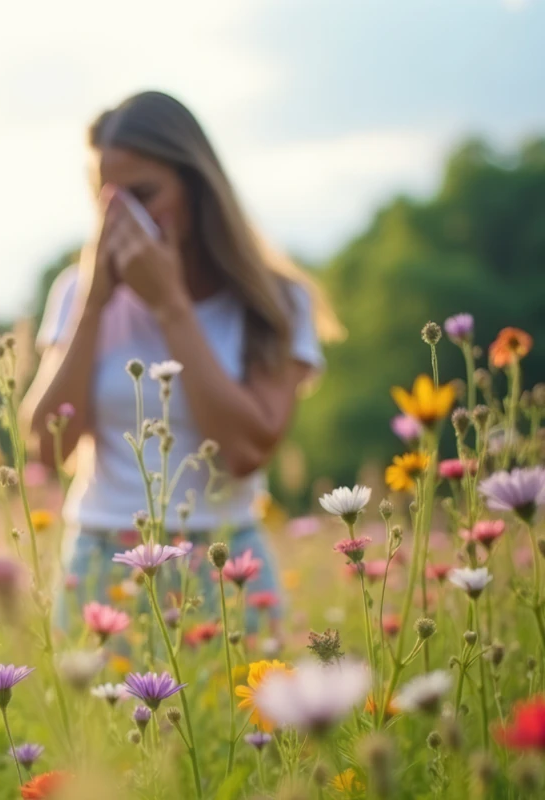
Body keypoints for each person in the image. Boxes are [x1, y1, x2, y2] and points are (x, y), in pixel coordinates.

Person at [20, 90, 341, 631]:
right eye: (107, 202)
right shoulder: (77, 292)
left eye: (144, 195)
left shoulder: (276, 302)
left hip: (226, 561)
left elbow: (244, 451)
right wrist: (93, 306)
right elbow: (46, 447)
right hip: (103, 557)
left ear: (195, 188)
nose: (123, 220)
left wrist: (171, 307)